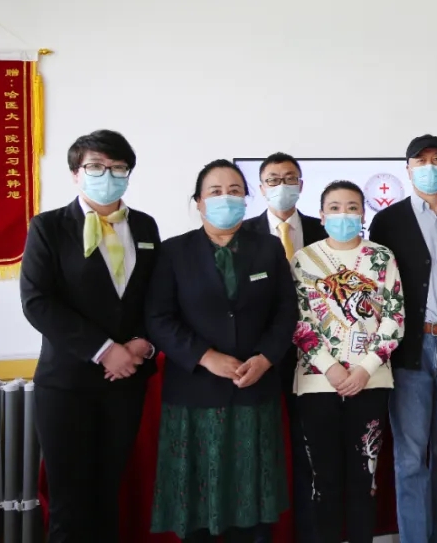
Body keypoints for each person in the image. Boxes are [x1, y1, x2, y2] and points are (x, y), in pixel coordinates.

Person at [20, 130, 161, 543]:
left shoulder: (145, 225)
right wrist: (102, 350)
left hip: (125, 384)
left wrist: (143, 343)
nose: (108, 175)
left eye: (118, 167)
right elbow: (37, 301)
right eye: (96, 166)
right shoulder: (48, 227)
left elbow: (157, 296)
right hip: (67, 385)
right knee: (70, 503)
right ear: (75, 173)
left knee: (107, 495)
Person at [146, 159, 298, 543]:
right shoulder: (174, 252)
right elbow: (158, 318)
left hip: (254, 390)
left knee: (252, 507)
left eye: (234, 191)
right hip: (194, 395)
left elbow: (286, 311)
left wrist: (265, 358)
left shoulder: (268, 248)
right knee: (198, 507)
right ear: (198, 202)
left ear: (246, 198)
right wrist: (205, 356)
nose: (225, 198)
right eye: (215, 191)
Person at [368, 134, 437, 543]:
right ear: (408, 168)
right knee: (410, 457)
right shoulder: (388, 221)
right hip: (409, 351)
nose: (430, 167)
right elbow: (376, 289)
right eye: (421, 160)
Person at [291, 181, 405, 543]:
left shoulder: (381, 257)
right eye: (335, 208)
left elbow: (395, 318)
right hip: (317, 382)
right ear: (322, 215)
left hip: (370, 381)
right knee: (322, 479)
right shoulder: (304, 259)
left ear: (363, 214)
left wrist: (364, 368)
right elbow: (299, 321)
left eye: (352, 207)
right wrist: (331, 368)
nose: (344, 214)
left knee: (363, 477)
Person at [244, 152, 328, 543]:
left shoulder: (322, 230)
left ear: (301, 185)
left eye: (290, 178)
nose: (282, 186)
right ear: (261, 188)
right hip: (261, 358)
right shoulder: (243, 233)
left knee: (311, 454)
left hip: (316, 359)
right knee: (260, 453)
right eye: (273, 179)